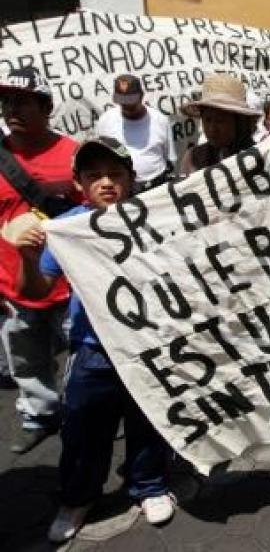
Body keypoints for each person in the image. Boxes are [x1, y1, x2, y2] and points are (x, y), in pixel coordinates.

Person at [15, 136, 174, 542]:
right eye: (94, 175)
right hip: (92, 352)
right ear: (78, 182)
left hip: (146, 347)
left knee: (149, 420)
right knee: (84, 429)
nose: (106, 182)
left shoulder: (156, 221)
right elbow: (35, 291)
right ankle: (78, 497)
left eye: (115, 174)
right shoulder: (67, 230)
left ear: (132, 179)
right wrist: (29, 259)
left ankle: (149, 484)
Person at [0, 66, 81, 454]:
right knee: (26, 357)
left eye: (22, 101)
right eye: (6, 101)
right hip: (13, 285)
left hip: (70, 285)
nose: (11, 109)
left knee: (84, 357)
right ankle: (40, 413)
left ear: (46, 107)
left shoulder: (75, 154)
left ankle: (87, 412)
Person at [95, 74, 176, 193]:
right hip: (123, 189)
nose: (127, 106)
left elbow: (170, 157)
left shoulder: (160, 120)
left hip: (157, 186)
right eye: (123, 101)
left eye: (131, 101)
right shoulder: (105, 121)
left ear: (141, 96)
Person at [178, 73, 262, 174]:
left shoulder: (258, 157)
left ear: (239, 122)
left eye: (220, 121)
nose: (212, 129)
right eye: (207, 120)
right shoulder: (193, 159)